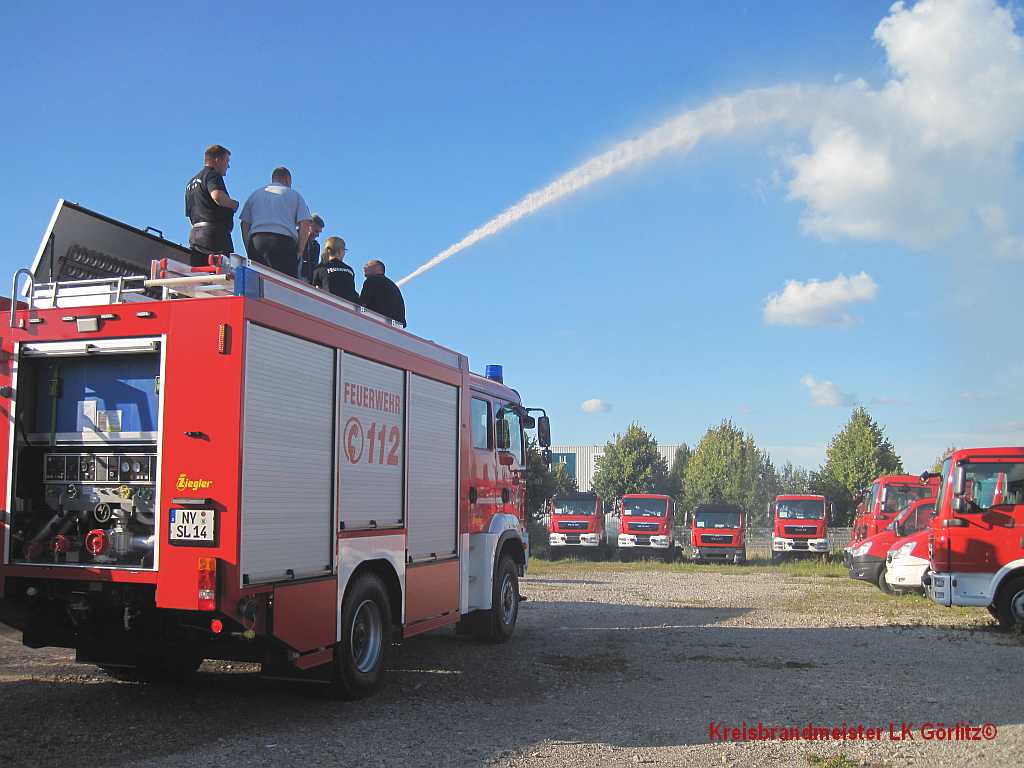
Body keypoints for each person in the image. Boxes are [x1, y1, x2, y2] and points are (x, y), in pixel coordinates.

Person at [239, 167, 312, 277]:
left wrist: (249, 247)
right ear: (288, 180)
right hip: (283, 243)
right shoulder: (294, 195)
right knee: (284, 284)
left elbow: (244, 223)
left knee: (258, 281)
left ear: (273, 178)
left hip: (258, 241)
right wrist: (300, 250)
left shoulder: (256, 194)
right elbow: (305, 223)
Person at [185, 144, 239, 266]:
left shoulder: (190, 183)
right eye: (226, 161)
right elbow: (217, 196)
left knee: (200, 277)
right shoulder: (212, 174)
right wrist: (233, 204)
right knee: (222, 277)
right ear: (217, 160)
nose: (228, 166)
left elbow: (190, 214)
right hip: (215, 239)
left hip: (196, 238)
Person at [311, 237, 359, 302]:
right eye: (344, 250)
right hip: (348, 308)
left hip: (329, 305)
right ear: (340, 251)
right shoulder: (349, 270)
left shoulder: (320, 268)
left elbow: (311, 289)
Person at [359, 259, 406, 326]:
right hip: (396, 327)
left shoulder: (371, 280)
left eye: (367, 265)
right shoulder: (393, 286)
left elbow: (362, 304)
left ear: (378, 268)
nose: (364, 267)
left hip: (377, 323)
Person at [299, 214, 325, 283]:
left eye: (319, 232)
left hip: (307, 283)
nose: (317, 235)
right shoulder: (294, 237)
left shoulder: (316, 246)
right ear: (308, 225)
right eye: (316, 231)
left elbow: (314, 267)